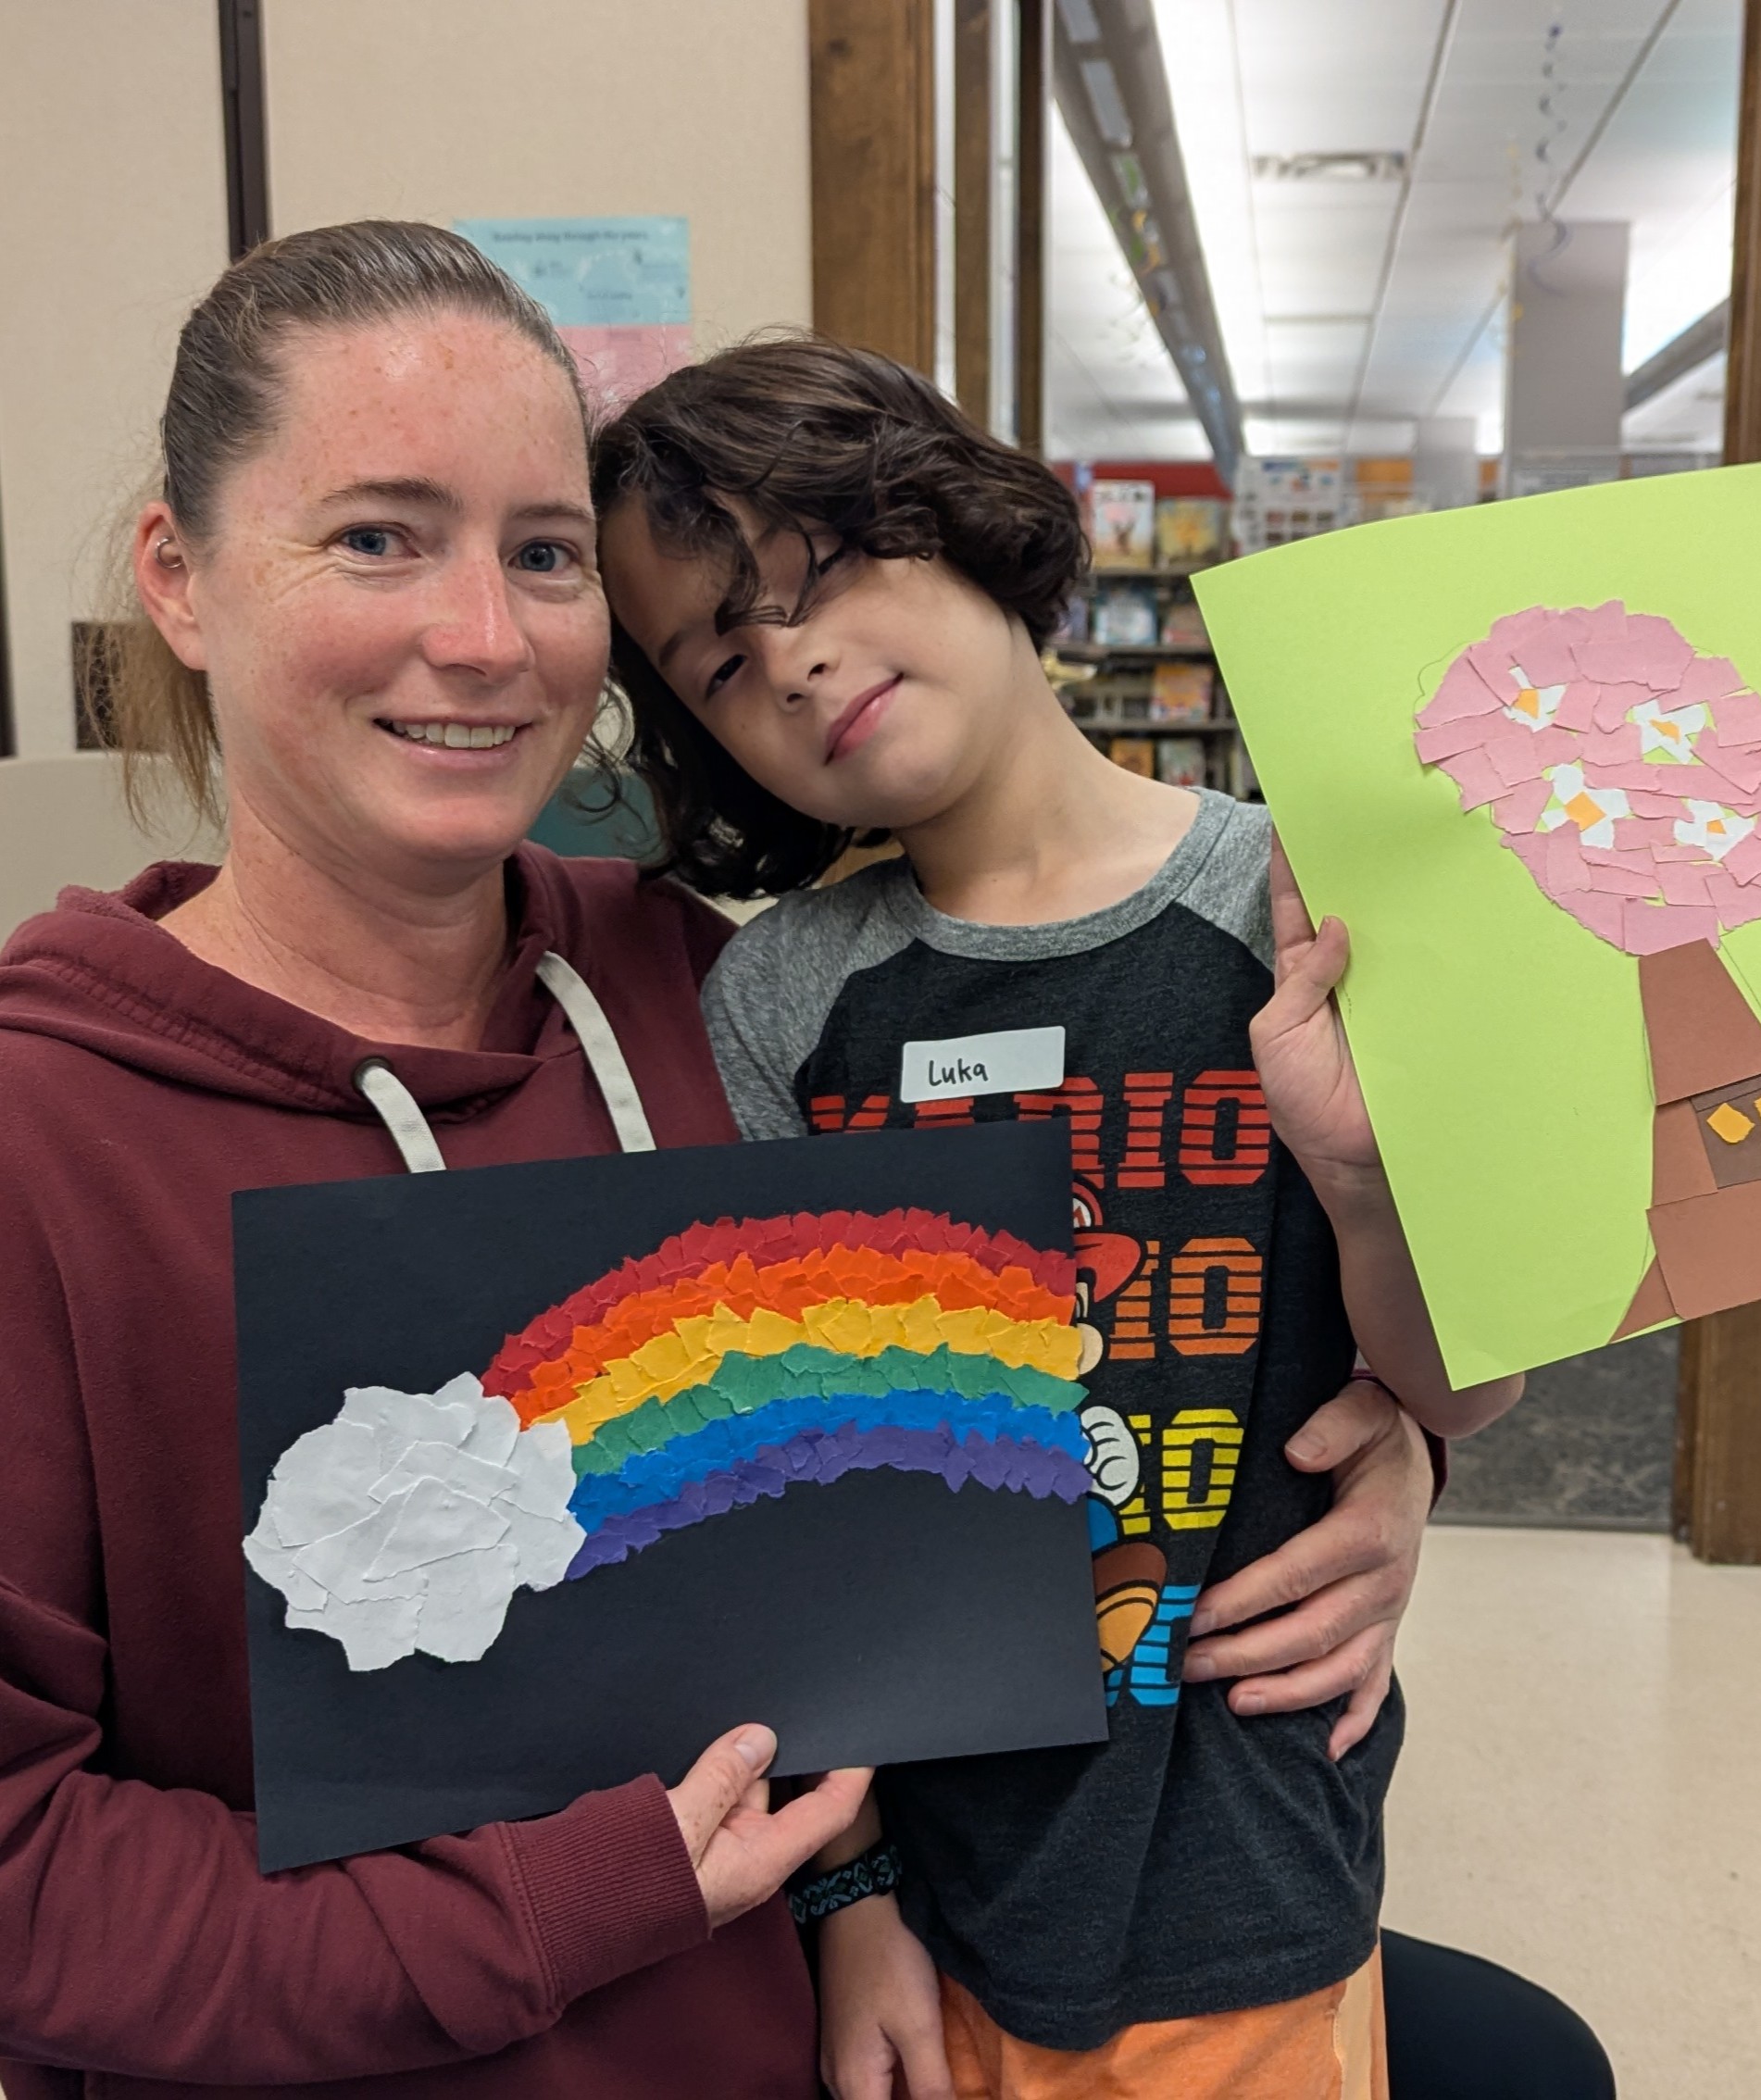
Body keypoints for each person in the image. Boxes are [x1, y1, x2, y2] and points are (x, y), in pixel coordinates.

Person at [0, 223, 1446, 2098]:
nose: (483, 636)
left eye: (540, 556)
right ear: (179, 583)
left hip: (885, 2016)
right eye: (375, 536)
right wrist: (577, 1897)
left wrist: (1383, 1442)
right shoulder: (48, 1132)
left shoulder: (707, 994)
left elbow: (1015, 1417)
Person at [592, 339, 1526, 2099]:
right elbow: (791, 1501)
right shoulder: (786, 997)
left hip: (1253, 1849)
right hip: (931, 1897)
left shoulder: (1301, 902)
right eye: (723, 657)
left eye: (825, 568)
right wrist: (850, 1896)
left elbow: (1461, 1397)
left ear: (965, 522)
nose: (789, 656)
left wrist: (1359, 1185)